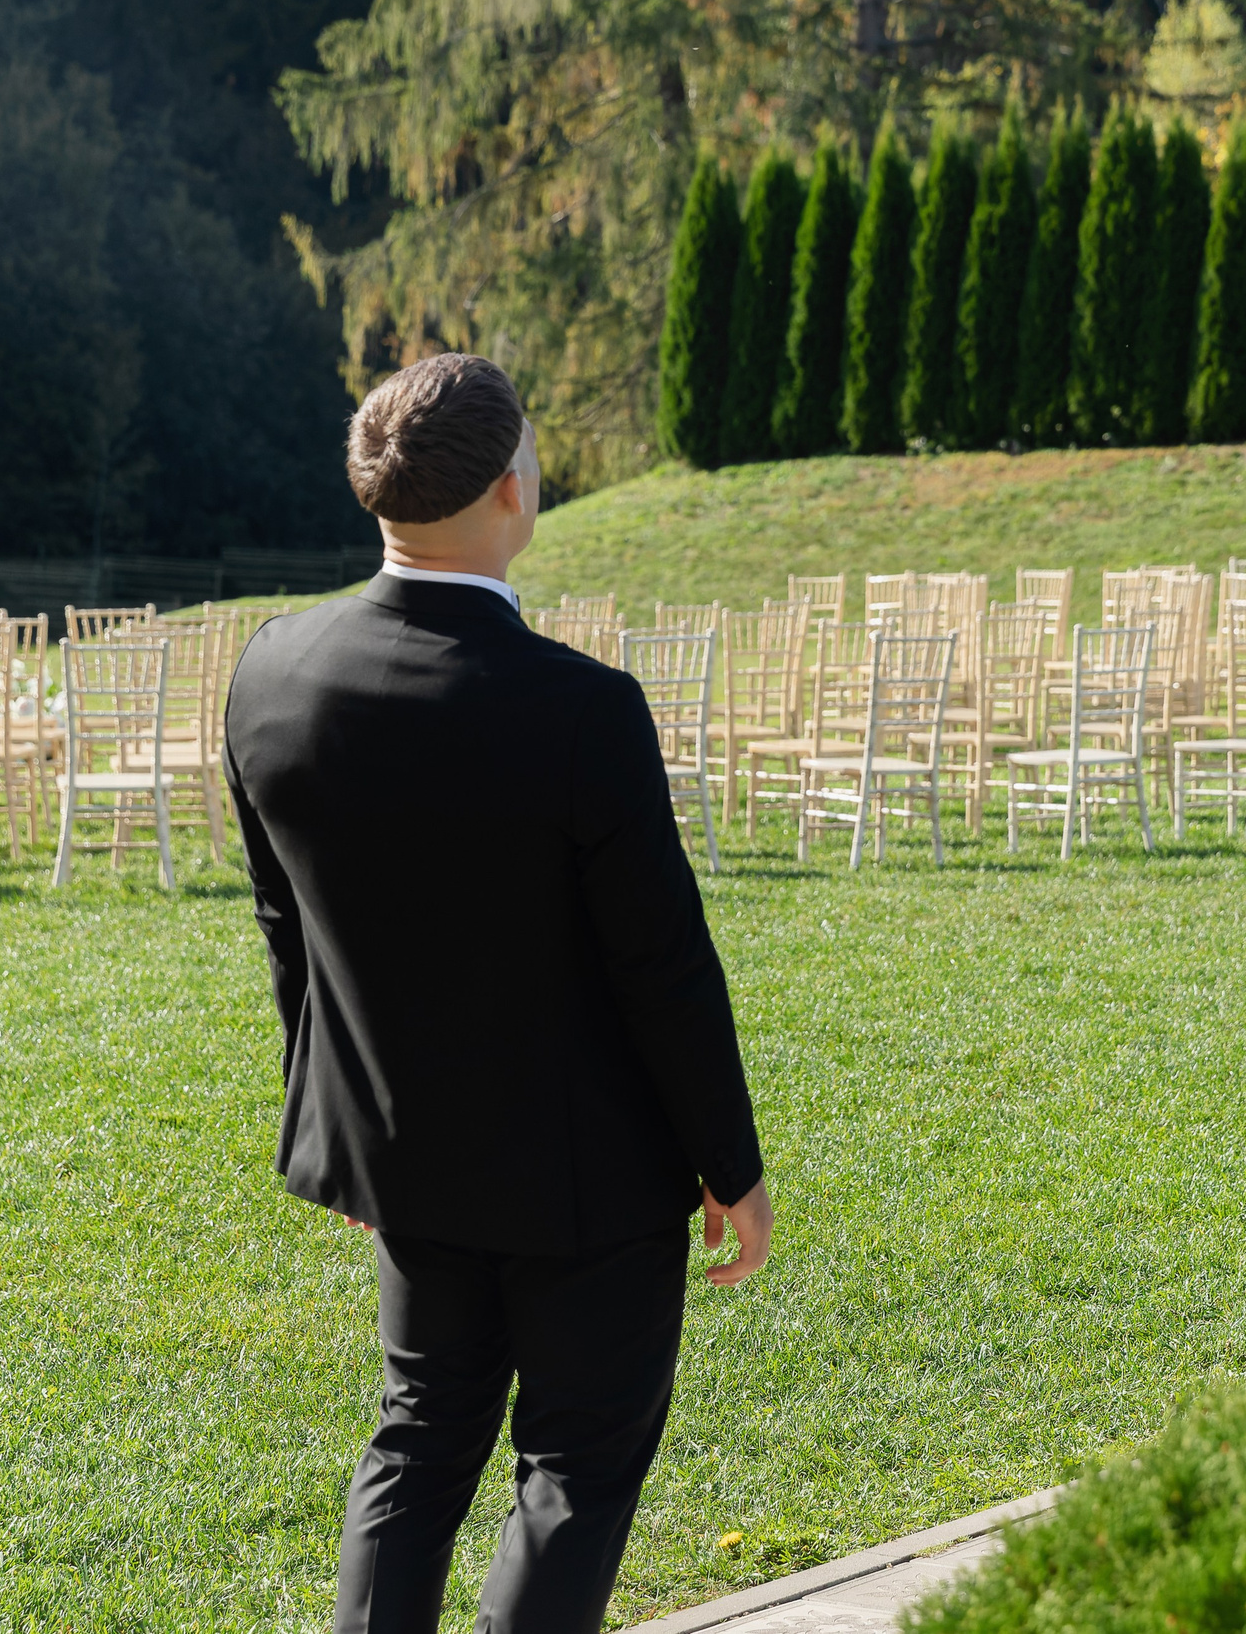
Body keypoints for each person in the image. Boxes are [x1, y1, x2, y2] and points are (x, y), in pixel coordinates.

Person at [222, 353, 771, 1634]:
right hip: (593, 1186)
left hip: (406, 1159)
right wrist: (731, 1165)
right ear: (512, 490)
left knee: (418, 1442)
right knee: (573, 1469)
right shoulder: (583, 711)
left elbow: (286, 935)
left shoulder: (272, 673)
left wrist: (346, 1137)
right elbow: (661, 966)